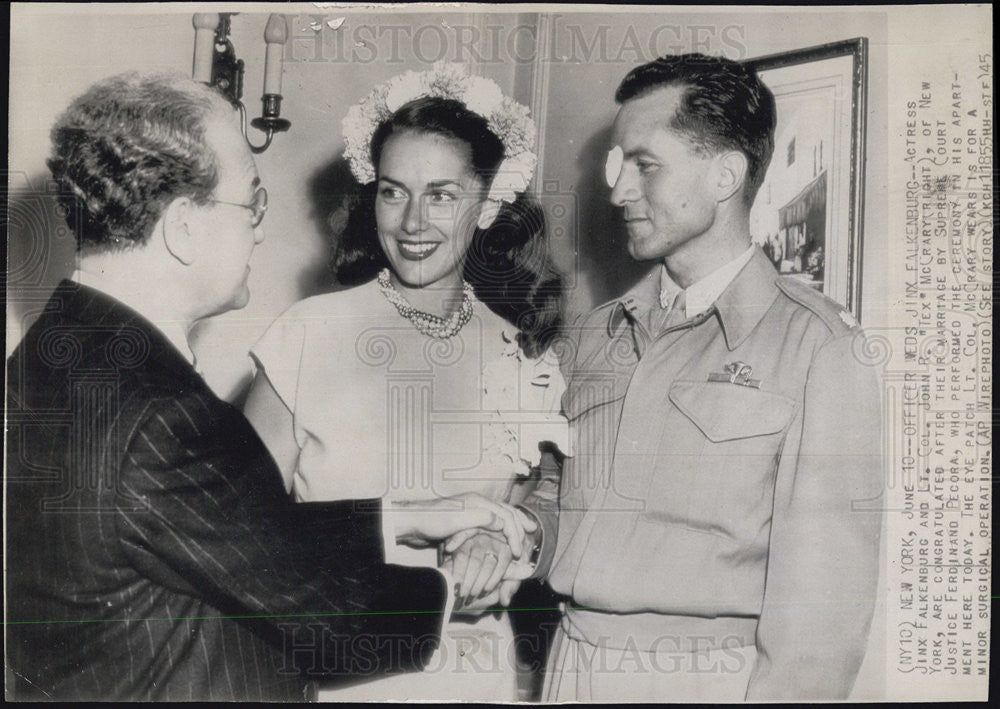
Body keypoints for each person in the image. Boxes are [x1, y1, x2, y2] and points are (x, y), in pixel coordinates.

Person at [5, 72, 531, 701]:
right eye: (251, 201)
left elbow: (238, 533)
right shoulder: (165, 417)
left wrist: (409, 516)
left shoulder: (54, 351)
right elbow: (327, 623)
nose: (260, 226)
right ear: (183, 227)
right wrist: (456, 584)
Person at [526, 54, 883, 701]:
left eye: (645, 165)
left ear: (725, 175)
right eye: (617, 164)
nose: (618, 191)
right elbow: (553, 490)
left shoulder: (818, 347)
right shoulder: (594, 334)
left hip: (703, 680)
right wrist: (515, 532)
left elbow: (820, 628)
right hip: (570, 664)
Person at [243, 64, 568, 701]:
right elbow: (243, 532)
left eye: (442, 195)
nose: (413, 221)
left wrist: (497, 534)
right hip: (338, 672)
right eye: (394, 192)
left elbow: (538, 500)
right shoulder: (308, 333)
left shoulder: (521, 347)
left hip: (475, 669)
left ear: (488, 203)